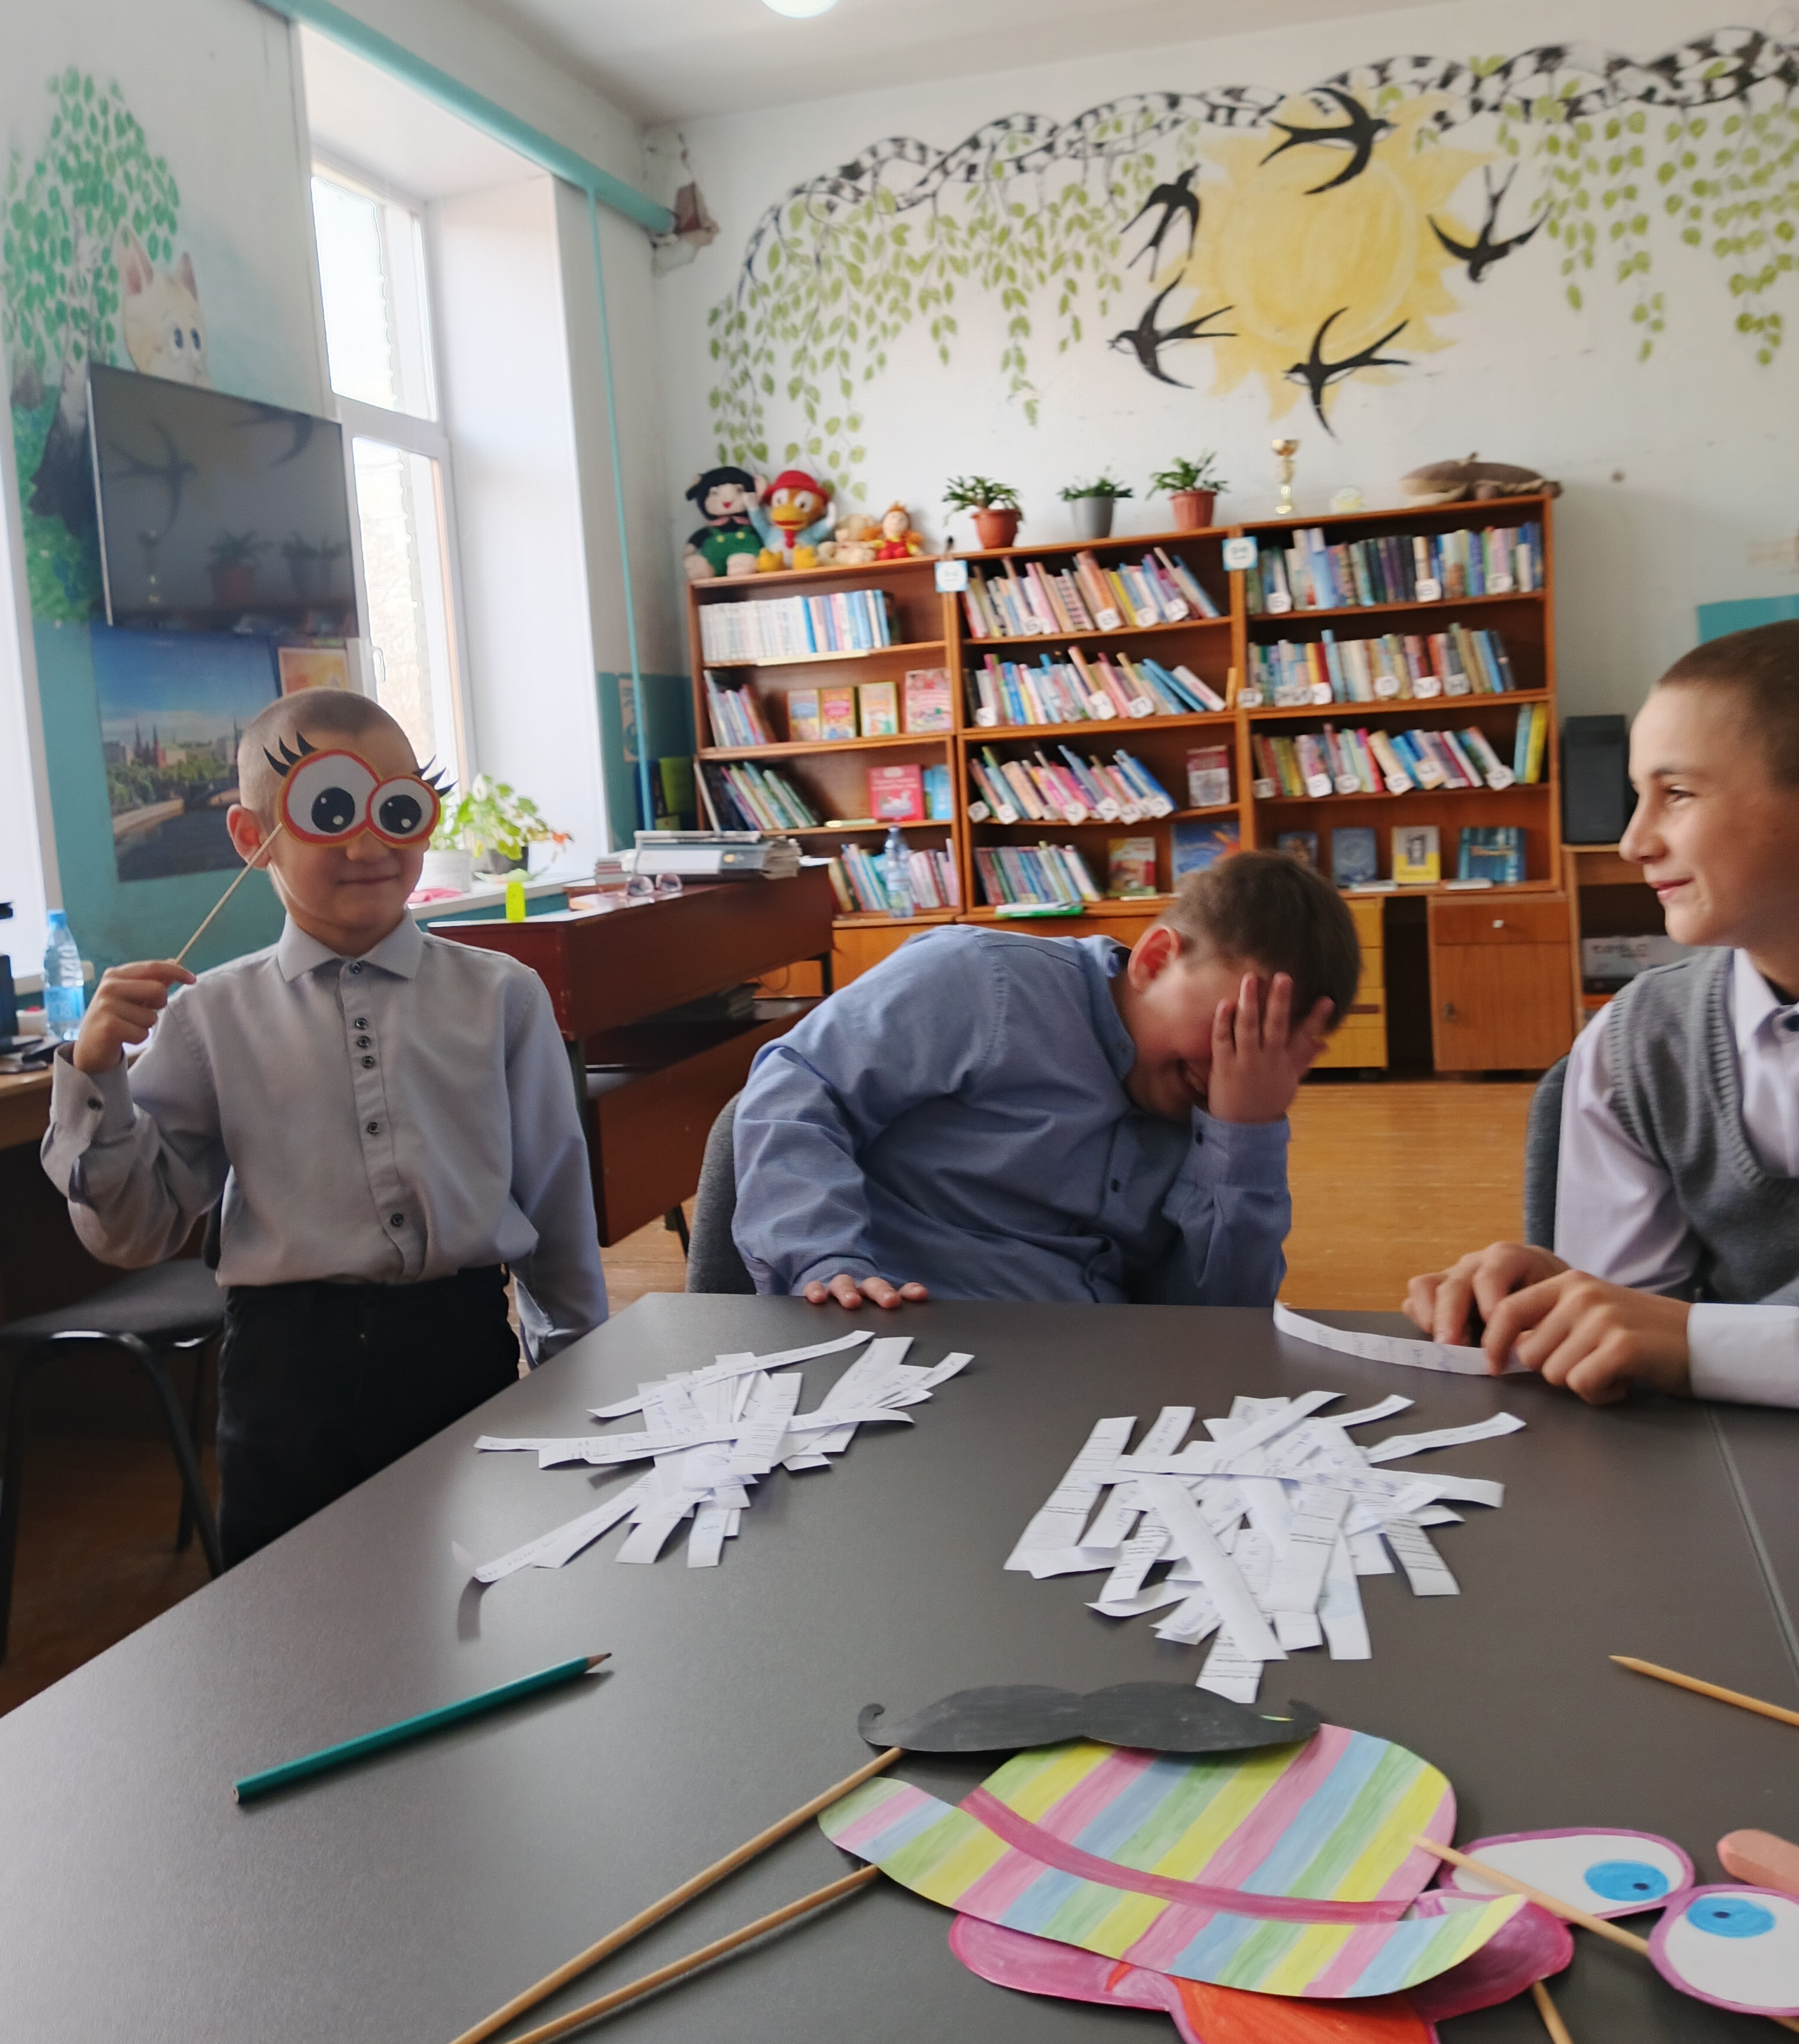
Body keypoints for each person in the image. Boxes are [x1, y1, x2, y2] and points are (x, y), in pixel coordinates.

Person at [41, 688, 607, 1564]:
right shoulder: (207, 1019)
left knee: (478, 1591)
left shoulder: (502, 997)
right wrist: (98, 1077)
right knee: (292, 1613)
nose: (369, 845)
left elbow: (556, 1198)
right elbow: (131, 1231)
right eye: (330, 811)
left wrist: (577, 1369)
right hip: (285, 1381)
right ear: (251, 837)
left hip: (459, 1349)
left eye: (398, 810)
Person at [1405, 620, 1799, 1407]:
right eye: (1636, 796)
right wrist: (1564, 1301)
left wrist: (1698, 1342)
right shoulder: (1637, 1043)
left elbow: (1676, 1342)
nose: (1631, 841)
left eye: (1677, 794)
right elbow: (1629, 1352)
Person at [732, 850, 1360, 1310]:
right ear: (1155, 960)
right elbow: (798, 1086)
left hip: (1083, 1388)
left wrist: (1243, 1137)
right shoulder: (982, 981)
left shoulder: (1227, 1116)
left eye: (1279, 1056)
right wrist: (822, 1258)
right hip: (902, 1340)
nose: (1239, 1069)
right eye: (1236, 1027)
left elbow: (1217, 1328)